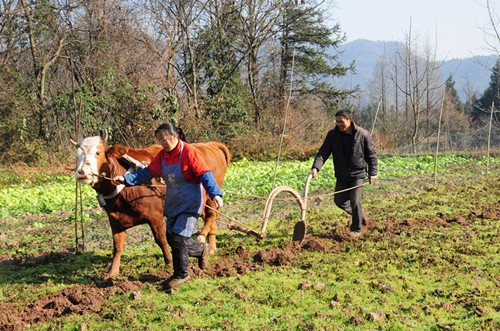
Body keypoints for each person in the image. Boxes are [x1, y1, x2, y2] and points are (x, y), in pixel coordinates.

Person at [113, 123, 223, 288]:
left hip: (191, 201)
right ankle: (201, 250)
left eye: (165, 139)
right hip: (174, 202)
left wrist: (215, 194)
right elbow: (147, 173)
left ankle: (181, 274)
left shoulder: (189, 152)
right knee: (172, 237)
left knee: (179, 238)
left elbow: (205, 174)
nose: (163, 143)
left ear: (174, 136)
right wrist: (125, 179)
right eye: (159, 140)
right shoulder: (163, 156)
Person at [309, 109, 378, 239]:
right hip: (341, 175)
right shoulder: (332, 135)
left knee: (355, 200)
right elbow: (323, 152)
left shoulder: (362, 134)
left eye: (341, 122)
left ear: (349, 120)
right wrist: (316, 168)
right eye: (337, 121)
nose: (339, 124)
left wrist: (372, 173)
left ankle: (356, 229)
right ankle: (359, 215)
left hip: (358, 174)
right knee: (339, 201)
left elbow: (371, 155)